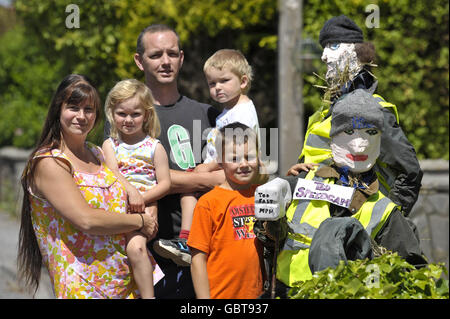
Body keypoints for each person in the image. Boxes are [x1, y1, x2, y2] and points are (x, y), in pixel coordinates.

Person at [255, 89, 427, 297]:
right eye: (349, 132)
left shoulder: (384, 211)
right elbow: (268, 239)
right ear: (333, 136)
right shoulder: (301, 182)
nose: (359, 144)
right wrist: (268, 222)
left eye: (370, 133)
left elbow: (407, 272)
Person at [18, 74, 159, 299]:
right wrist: (141, 221)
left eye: (89, 109)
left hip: (126, 285)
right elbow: (87, 220)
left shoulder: (98, 153)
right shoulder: (49, 162)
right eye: (73, 107)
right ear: (58, 110)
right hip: (84, 290)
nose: (81, 116)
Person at [124, 24, 223, 298]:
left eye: (171, 54)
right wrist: (206, 179)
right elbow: (133, 176)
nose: (165, 61)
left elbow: (237, 170)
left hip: (205, 250)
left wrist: (169, 178)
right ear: (139, 60)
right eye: (156, 55)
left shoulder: (208, 114)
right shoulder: (128, 116)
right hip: (150, 254)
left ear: (181, 58)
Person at [293, 15, 423, 217]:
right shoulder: (326, 111)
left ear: (356, 52)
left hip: (355, 235)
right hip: (320, 231)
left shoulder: (372, 109)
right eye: (324, 47)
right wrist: (301, 172)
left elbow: (409, 172)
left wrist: (387, 224)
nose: (324, 56)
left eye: (333, 45)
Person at [102, 79, 170, 298]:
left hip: (146, 208)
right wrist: (131, 192)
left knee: (135, 248)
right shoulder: (110, 145)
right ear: (112, 113)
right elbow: (113, 173)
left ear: (147, 115)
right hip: (118, 205)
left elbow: (166, 183)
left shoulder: (154, 146)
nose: (128, 120)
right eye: (122, 114)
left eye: (135, 114)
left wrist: (141, 197)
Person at [188, 123, 266, 299]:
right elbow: (197, 260)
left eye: (250, 156)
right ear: (221, 161)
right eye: (235, 158)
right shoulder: (208, 203)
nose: (244, 164)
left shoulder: (264, 194)